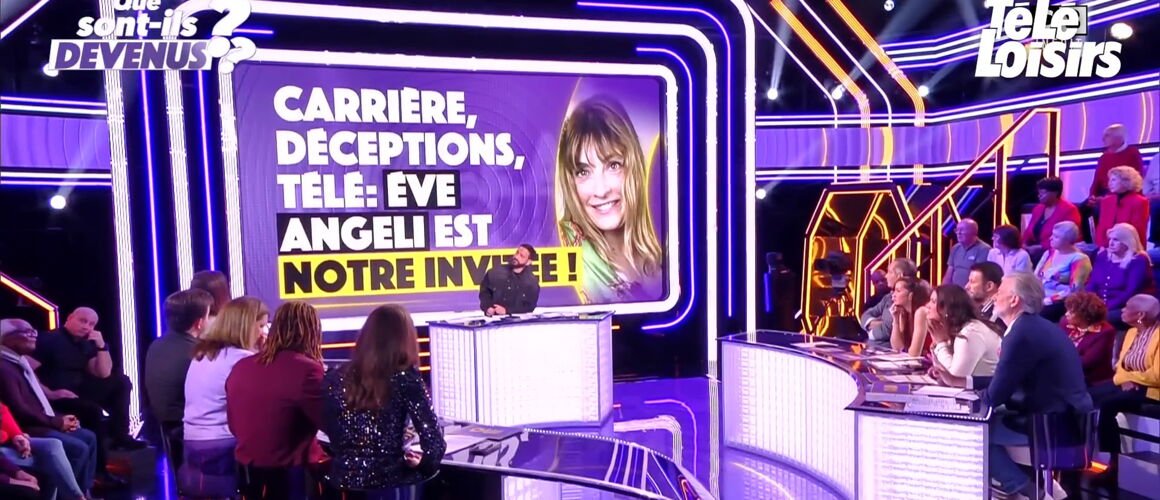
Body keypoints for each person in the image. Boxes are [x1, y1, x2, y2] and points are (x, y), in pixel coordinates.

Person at [980, 273, 1092, 499]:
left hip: (1054, 425)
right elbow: (1005, 381)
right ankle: (1052, 492)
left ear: (1014, 300)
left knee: (974, 432)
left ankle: (1032, 493)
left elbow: (996, 394)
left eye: (999, 292)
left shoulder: (1022, 333)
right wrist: (964, 383)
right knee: (991, 421)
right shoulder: (1036, 327)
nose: (994, 297)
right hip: (1067, 416)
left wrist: (964, 399)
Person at [322, 304, 446, 495]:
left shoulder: (335, 377)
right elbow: (434, 445)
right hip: (389, 482)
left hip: (342, 482)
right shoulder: (406, 379)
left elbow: (330, 430)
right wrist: (423, 465)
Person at [556, 96, 664, 304]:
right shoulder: (562, 244)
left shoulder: (669, 244)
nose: (601, 190)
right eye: (583, 172)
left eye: (613, 165)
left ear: (633, 166)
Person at [226, 301, 325, 499]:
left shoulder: (241, 366)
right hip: (290, 473)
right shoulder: (307, 369)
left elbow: (234, 425)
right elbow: (327, 421)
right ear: (312, 331)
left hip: (247, 472)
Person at [182, 297, 268, 498]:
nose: (264, 333)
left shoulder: (202, 353)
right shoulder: (242, 359)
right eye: (261, 326)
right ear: (245, 326)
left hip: (192, 441)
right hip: (221, 445)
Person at [0, 319, 97, 495]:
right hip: (26, 426)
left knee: (88, 436)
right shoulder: (3, 367)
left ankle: (84, 493)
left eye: (33, 330)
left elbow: (8, 409)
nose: (34, 335)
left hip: (24, 427)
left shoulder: (19, 362)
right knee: (76, 448)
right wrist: (55, 422)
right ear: (5, 338)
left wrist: (58, 417)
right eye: (26, 331)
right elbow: (18, 409)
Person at [34, 307, 145, 452]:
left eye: (91, 324)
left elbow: (103, 373)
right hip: (56, 394)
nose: (86, 326)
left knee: (121, 381)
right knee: (93, 411)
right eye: (83, 321)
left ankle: (120, 436)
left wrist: (101, 346)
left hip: (79, 390)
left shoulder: (86, 343)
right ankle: (99, 462)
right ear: (70, 318)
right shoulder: (49, 339)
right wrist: (49, 393)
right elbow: (26, 370)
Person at [143, 288, 214, 467]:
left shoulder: (157, 344)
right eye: (208, 316)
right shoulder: (199, 353)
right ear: (199, 323)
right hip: (190, 429)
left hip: (165, 427)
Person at [1095, 295, 1160, 479]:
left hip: (1151, 390)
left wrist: (1130, 378)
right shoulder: (1131, 333)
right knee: (1090, 394)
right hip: (1128, 385)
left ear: (1140, 315)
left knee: (1108, 405)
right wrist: (1124, 379)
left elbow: (1157, 375)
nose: (1122, 310)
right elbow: (1120, 366)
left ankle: (1113, 463)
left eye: (1127, 307)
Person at [0, 402, 89, 499]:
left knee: (54, 445)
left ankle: (78, 496)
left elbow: (3, 411)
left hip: (8, 440)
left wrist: (17, 435)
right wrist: (14, 476)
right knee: (51, 461)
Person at [925, 285, 1002, 387]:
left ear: (948, 309)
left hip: (981, 394)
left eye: (933, 302)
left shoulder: (971, 332)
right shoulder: (956, 329)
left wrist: (941, 344)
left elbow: (955, 378)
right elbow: (944, 372)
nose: (927, 306)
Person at [1086, 223, 1153, 326]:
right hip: (1099, 304)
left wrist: (1104, 307)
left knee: (1099, 318)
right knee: (1075, 315)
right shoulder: (1102, 256)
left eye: (1116, 240)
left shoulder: (1139, 260)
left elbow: (1130, 292)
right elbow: (1092, 283)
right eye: (1110, 239)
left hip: (1125, 306)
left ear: (1127, 242)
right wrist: (1090, 302)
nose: (1111, 243)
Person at [1035, 221, 1092, 322]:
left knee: (1037, 312)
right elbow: (1035, 277)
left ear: (1067, 241)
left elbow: (1074, 290)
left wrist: (1049, 300)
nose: (1050, 238)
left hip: (1062, 301)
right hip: (1040, 296)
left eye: (1056, 237)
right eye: (1052, 235)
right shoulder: (1049, 253)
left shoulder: (1079, 259)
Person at [1061, 291, 1117, 387]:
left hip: (1091, 380)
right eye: (1067, 310)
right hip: (1065, 372)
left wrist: (1057, 362)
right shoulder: (1065, 323)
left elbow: (1086, 362)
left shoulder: (1105, 332)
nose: (1066, 314)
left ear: (1085, 315)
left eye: (1071, 312)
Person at [860, 258, 918, 349]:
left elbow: (886, 332)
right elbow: (865, 315)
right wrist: (876, 324)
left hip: (888, 351)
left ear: (900, 275)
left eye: (889, 272)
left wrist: (870, 331)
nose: (886, 276)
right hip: (873, 349)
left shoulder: (907, 299)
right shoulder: (888, 297)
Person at [1023, 176, 1081, 261]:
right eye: (1039, 193)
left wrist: (1041, 247)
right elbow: (1028, 232)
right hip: (1034, 249)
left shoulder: (1069, 210)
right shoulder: (1038, 208)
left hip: (1057, 251)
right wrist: (1023, 244)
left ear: (1055, 193)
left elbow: (1066, 237)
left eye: (1043, 193)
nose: (1039, 195)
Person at [1092, 166, 1149, 250]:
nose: (1109, 183)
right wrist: (1101, 247)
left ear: (1126, 181)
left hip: (1129, 247)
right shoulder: (1106, 201)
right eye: (1109, 180)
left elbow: (1138, 231)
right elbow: (1102, 227)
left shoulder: (1140, 201)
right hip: (1105, 247)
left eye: (1113, 180)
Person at [478, 244, 541, 316]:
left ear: (528, 262)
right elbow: (485, 292)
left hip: (516, 321)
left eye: (521, 256)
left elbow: (529, 306)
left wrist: (507, 310)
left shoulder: (531, 282)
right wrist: (487, 307)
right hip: (493, 319)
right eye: (517, 253)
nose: (516, 256)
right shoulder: (495, 272)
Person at [889, 277, 932, 357]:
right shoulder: (904, 313)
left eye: (898, 291)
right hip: (917, 362)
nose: (893, 295)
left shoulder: (921, 312)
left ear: (910, 295)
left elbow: (914, 354)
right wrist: (895, 319)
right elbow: (898, 348)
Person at [943, 219, 991, 287]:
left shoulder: (984, 249)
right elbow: (949, 273)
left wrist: (967, 291)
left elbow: (978, 276)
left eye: (962, 230)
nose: (958, 233)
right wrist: (942, 290)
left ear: (973, 232)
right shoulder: (955, 248)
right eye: (957, 230)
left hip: (971, 291)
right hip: (954, 291)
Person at [1143, 150, 1160, 247]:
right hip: (1155, 195)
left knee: (1156, 206)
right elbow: (1147, 183)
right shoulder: (1156, 158)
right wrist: (1147, 194)